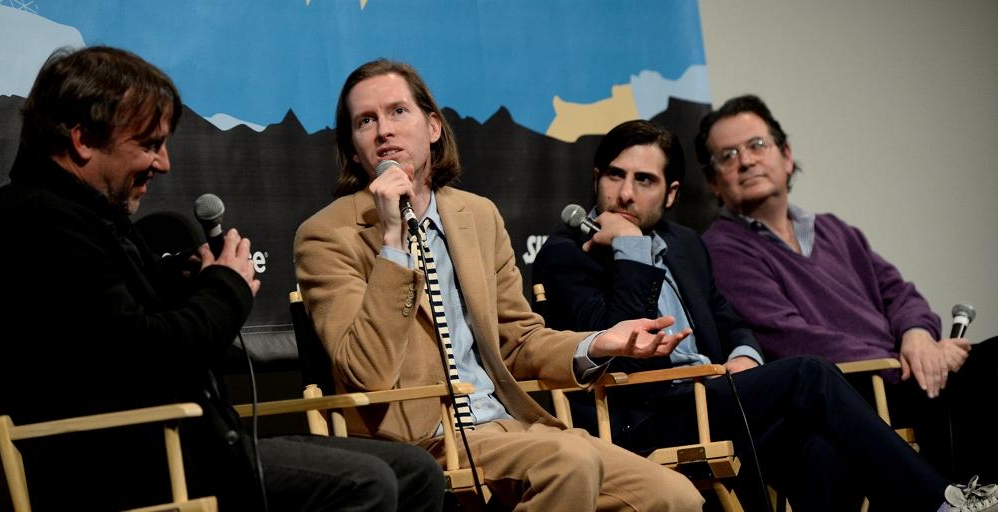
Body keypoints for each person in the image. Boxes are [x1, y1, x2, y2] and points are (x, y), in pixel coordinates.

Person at [0, 46, 444, 512]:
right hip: (126, 471)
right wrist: (225, 286)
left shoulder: (89, 217)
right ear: (83, 140)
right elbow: (144, 354)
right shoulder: (37, 221)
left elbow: (119, 323)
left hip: (191, 449)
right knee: (366, 484)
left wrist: (186, 281)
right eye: (149, 145)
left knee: (417, 472)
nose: (163, 163)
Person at [293, 59, 705, 511]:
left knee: (676, 498)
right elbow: (367, 372)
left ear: (433, 127)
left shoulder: (478, 215)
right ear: (354, 150)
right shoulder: (327, 235)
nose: (384, 130)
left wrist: (598, 343)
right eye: (365, 121)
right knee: (569, 464)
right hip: (423, 442)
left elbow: (518, 340)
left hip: (510, 424)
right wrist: (393, 241)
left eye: (398, 111)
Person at [532, 119, 998, 512]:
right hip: (646, 412)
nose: (626, 194)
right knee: (809, 373)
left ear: (670, 194)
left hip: (711, 397)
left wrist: (745, 357)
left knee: (820, 451)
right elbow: (621, 350)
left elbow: (731, 322)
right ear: (596, 178)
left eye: (645, 180)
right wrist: (630, 250)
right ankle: (942, 503)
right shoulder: (566, 254)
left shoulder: (684, 244)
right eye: (615, 176)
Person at [697, 94, 998, 483]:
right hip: (854, 397)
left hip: (902, 377)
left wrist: (918, 337)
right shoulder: (722, 248)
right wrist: (906, 363)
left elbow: (899, 293)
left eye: (756, 145)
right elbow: (789, 339)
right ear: (714, 183)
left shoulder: (835, 229)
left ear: (786, 155)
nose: (746, 161)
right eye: (728, 155)